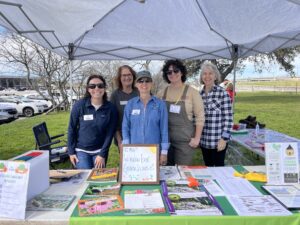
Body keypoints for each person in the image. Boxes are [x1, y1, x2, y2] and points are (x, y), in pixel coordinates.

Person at [158, 60, 205, 166]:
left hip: (185, 141)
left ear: (182, 72)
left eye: (175, 70)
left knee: (183, 173)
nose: (173, 74)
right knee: (166, 172)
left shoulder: (192, 92)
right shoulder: (162, 93)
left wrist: (197, 138)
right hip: (166, 142)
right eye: (169, 72)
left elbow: (200, 116)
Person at [68, 74, 118, 169]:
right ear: (88, 89)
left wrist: (102, 154)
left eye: (100, 85)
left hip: (100, 151)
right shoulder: (79, 106)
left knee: (97, 180)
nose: (96, 88)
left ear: (104, 88)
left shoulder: (111, 108)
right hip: (81, 151)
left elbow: (110, 133)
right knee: (85, 178)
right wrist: (71, 152)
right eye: (92, 86)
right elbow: (71, 129)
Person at [122, 70, 169, 166]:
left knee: (153, 179)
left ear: (151, 83)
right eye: (141, 81)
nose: (144, 83)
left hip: (153, 151)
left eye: (147, 81)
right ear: (136, 84)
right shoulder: (130, 104)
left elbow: (164, 130)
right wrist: (126, 148)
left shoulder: (160, 104)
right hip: (134, 151)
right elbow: (125, 127)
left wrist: (164, 152)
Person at [199, 61, 233, 167]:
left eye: (210, 73)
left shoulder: (223, 94)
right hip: (204, 142)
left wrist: (224, 139)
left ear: (215, 76)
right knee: (207, 169)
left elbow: (229, 119)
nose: (207, 76)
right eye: (204, 73)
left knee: (219, 170)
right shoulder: (198, 95)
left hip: (218, 142)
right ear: (201, 76)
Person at [110, 65, 139, 152]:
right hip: (123, 137)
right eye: (124, 75)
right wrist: (119, 141)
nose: (127, 77)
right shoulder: (115, 95)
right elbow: (113, 121)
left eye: (129, 74)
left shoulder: (139, 92)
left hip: (140, 136)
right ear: (119, 78)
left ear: (133, 76)